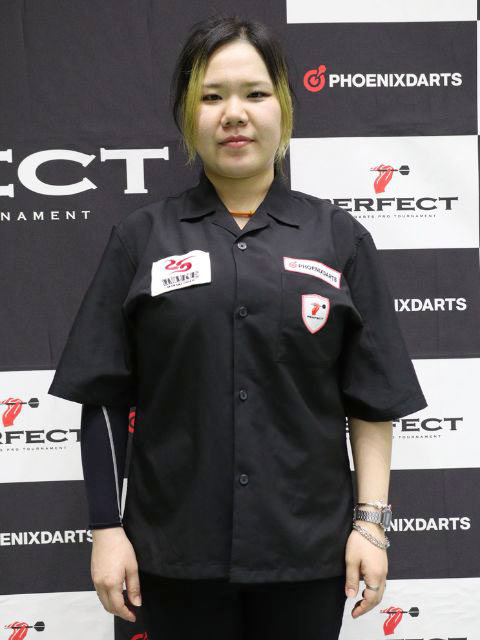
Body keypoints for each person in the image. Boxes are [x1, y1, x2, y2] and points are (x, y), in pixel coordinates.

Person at [48, 14, 428, 639]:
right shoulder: (141, 238)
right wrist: (106, 529)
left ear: (284, 107)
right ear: (186, 114)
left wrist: (371, 524)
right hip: (171, 554)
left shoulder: (340, 239)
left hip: (307, 551)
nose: (234, 114)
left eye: (255, 93)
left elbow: (371, 398)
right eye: (211, 96)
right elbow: (104, 397)